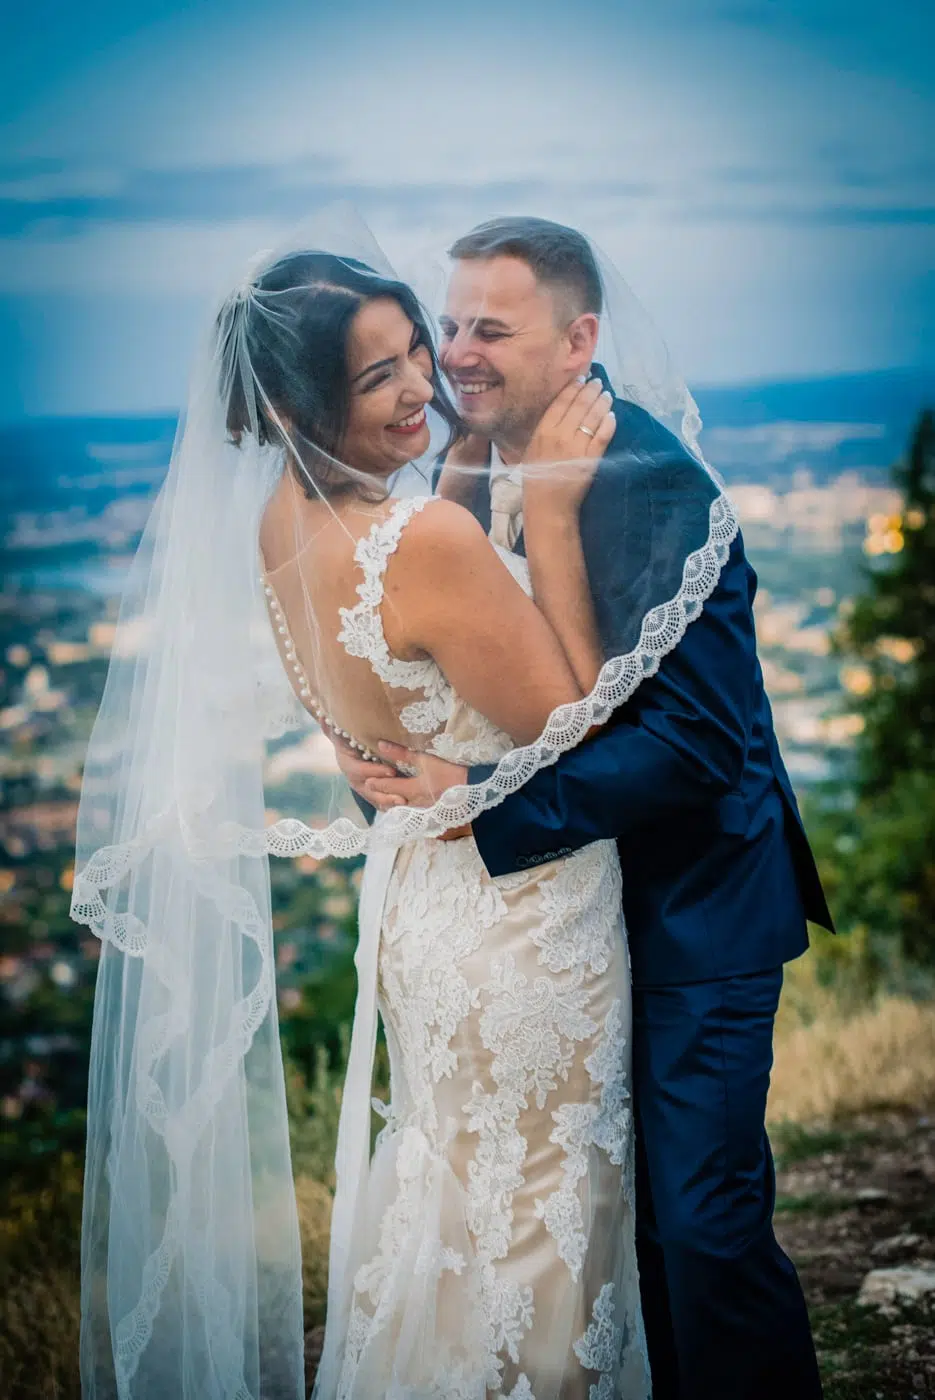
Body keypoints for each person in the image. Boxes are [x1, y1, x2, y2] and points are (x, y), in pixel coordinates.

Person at [70, 222, 658, 1400]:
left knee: (446, 1228)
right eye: (373, 374)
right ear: (294, 409)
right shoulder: (428, 540)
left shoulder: (279, 527)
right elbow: (581, 729)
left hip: (424, 917)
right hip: (524, 923)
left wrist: (449, 491)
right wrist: (545, 519)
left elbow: (386, 720)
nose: (417, 389)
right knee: (541, 1245)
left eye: (411, 351)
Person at [335, 216, 833, 1400]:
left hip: (693, 913)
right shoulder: (497, 452)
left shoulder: (639, 475)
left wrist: (487, 797)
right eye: (448, 323)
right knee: (626, 1229)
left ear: (580, 339)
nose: (456, 352)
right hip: (581, 917)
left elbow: (700, 744)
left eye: (489, 329)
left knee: (701, 1229)